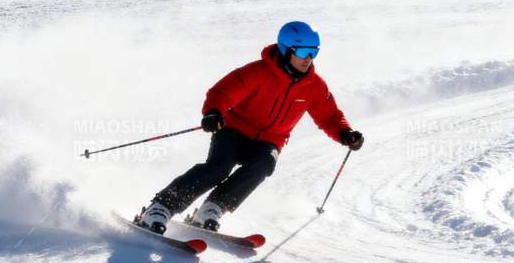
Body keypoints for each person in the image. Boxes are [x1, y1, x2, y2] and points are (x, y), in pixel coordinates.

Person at [135, 20, 363, 233]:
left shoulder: (314, 86)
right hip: (235, 130)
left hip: (271, 140)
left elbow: (329, 115)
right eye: (303, 52)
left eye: (314, 52)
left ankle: (212, 208)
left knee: (264, 164)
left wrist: (345, 133)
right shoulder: (258, 72)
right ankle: (160, 208)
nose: (308, 59)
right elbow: (222, 93)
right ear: (286, 50)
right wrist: (214, 112)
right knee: (218, 168)